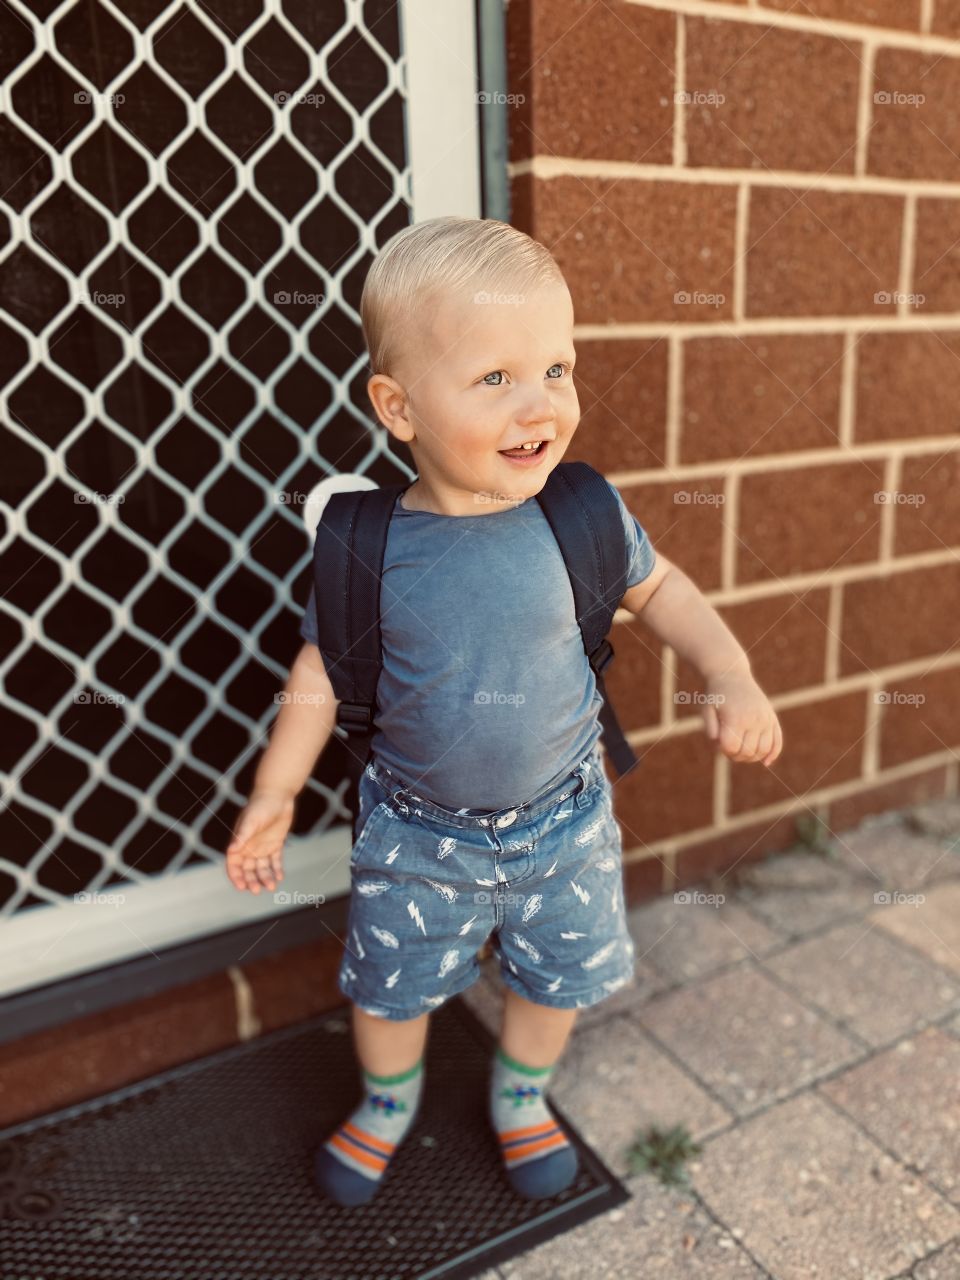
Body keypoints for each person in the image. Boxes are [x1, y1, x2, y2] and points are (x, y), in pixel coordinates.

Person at [225, 216, 783, 1207]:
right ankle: (387, 1102)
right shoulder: (370, 545)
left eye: (556, 369)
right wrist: (275, 788)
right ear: (398, 407)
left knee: (554, 978)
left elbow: (667, 593)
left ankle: (522, 1094)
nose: (540, 405)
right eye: (496, 379)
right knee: (389, 986)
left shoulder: (579, 514)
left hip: (562, 821)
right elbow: (319, 667)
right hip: (416, 833)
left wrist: (730, 671)